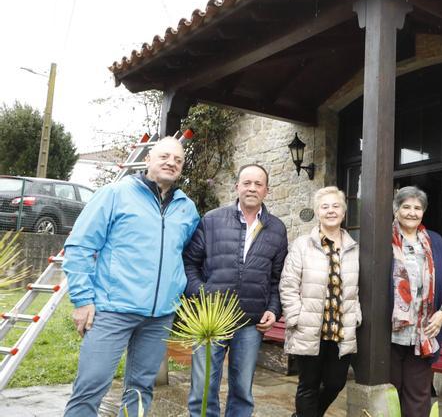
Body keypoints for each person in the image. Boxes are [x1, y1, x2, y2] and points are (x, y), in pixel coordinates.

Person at [62, 136, 201, 417]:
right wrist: (82, 300)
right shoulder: (114, 194)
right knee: (90, 388)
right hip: (112, 310)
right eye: (164, 156)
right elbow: (79, 247)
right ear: (148, 159)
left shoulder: (187, 208)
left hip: (159, 316)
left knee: (141, 389)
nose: (171, 163)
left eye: (178, 160)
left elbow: (184, 256)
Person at [183, 163, 288, 417]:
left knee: (242, 391)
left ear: (267, 191)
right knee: (203, 388)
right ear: (237, 187)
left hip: (250, 323)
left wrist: (274, 309)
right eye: (247, 183)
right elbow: (189, 265)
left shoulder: (277, 228)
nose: (252, 188)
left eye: (258, 184)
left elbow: (277, 279)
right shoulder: (212, 220)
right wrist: (202, 294)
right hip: (211, 320)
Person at [280, 186, 360, 417]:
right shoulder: (302, 245)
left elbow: (358, 288)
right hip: (309, 327)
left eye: (336, 206)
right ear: (317, 212)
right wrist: (296, 316)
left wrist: (357, 315)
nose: (331, 211)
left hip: (340, 329)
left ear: (344, 212)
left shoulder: (354, 248)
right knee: (308, 386)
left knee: (336, 383)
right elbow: (288, 285)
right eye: (325, 207)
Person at [389, 186, 442, 417]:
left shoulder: (435, 241)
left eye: (417, 208)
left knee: (419, 396)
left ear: (423, 212)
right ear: (396, 210)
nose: (412, 212)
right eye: (406, 207)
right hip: (389, 334)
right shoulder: (382, 240)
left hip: (424, 333)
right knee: (389, 393)